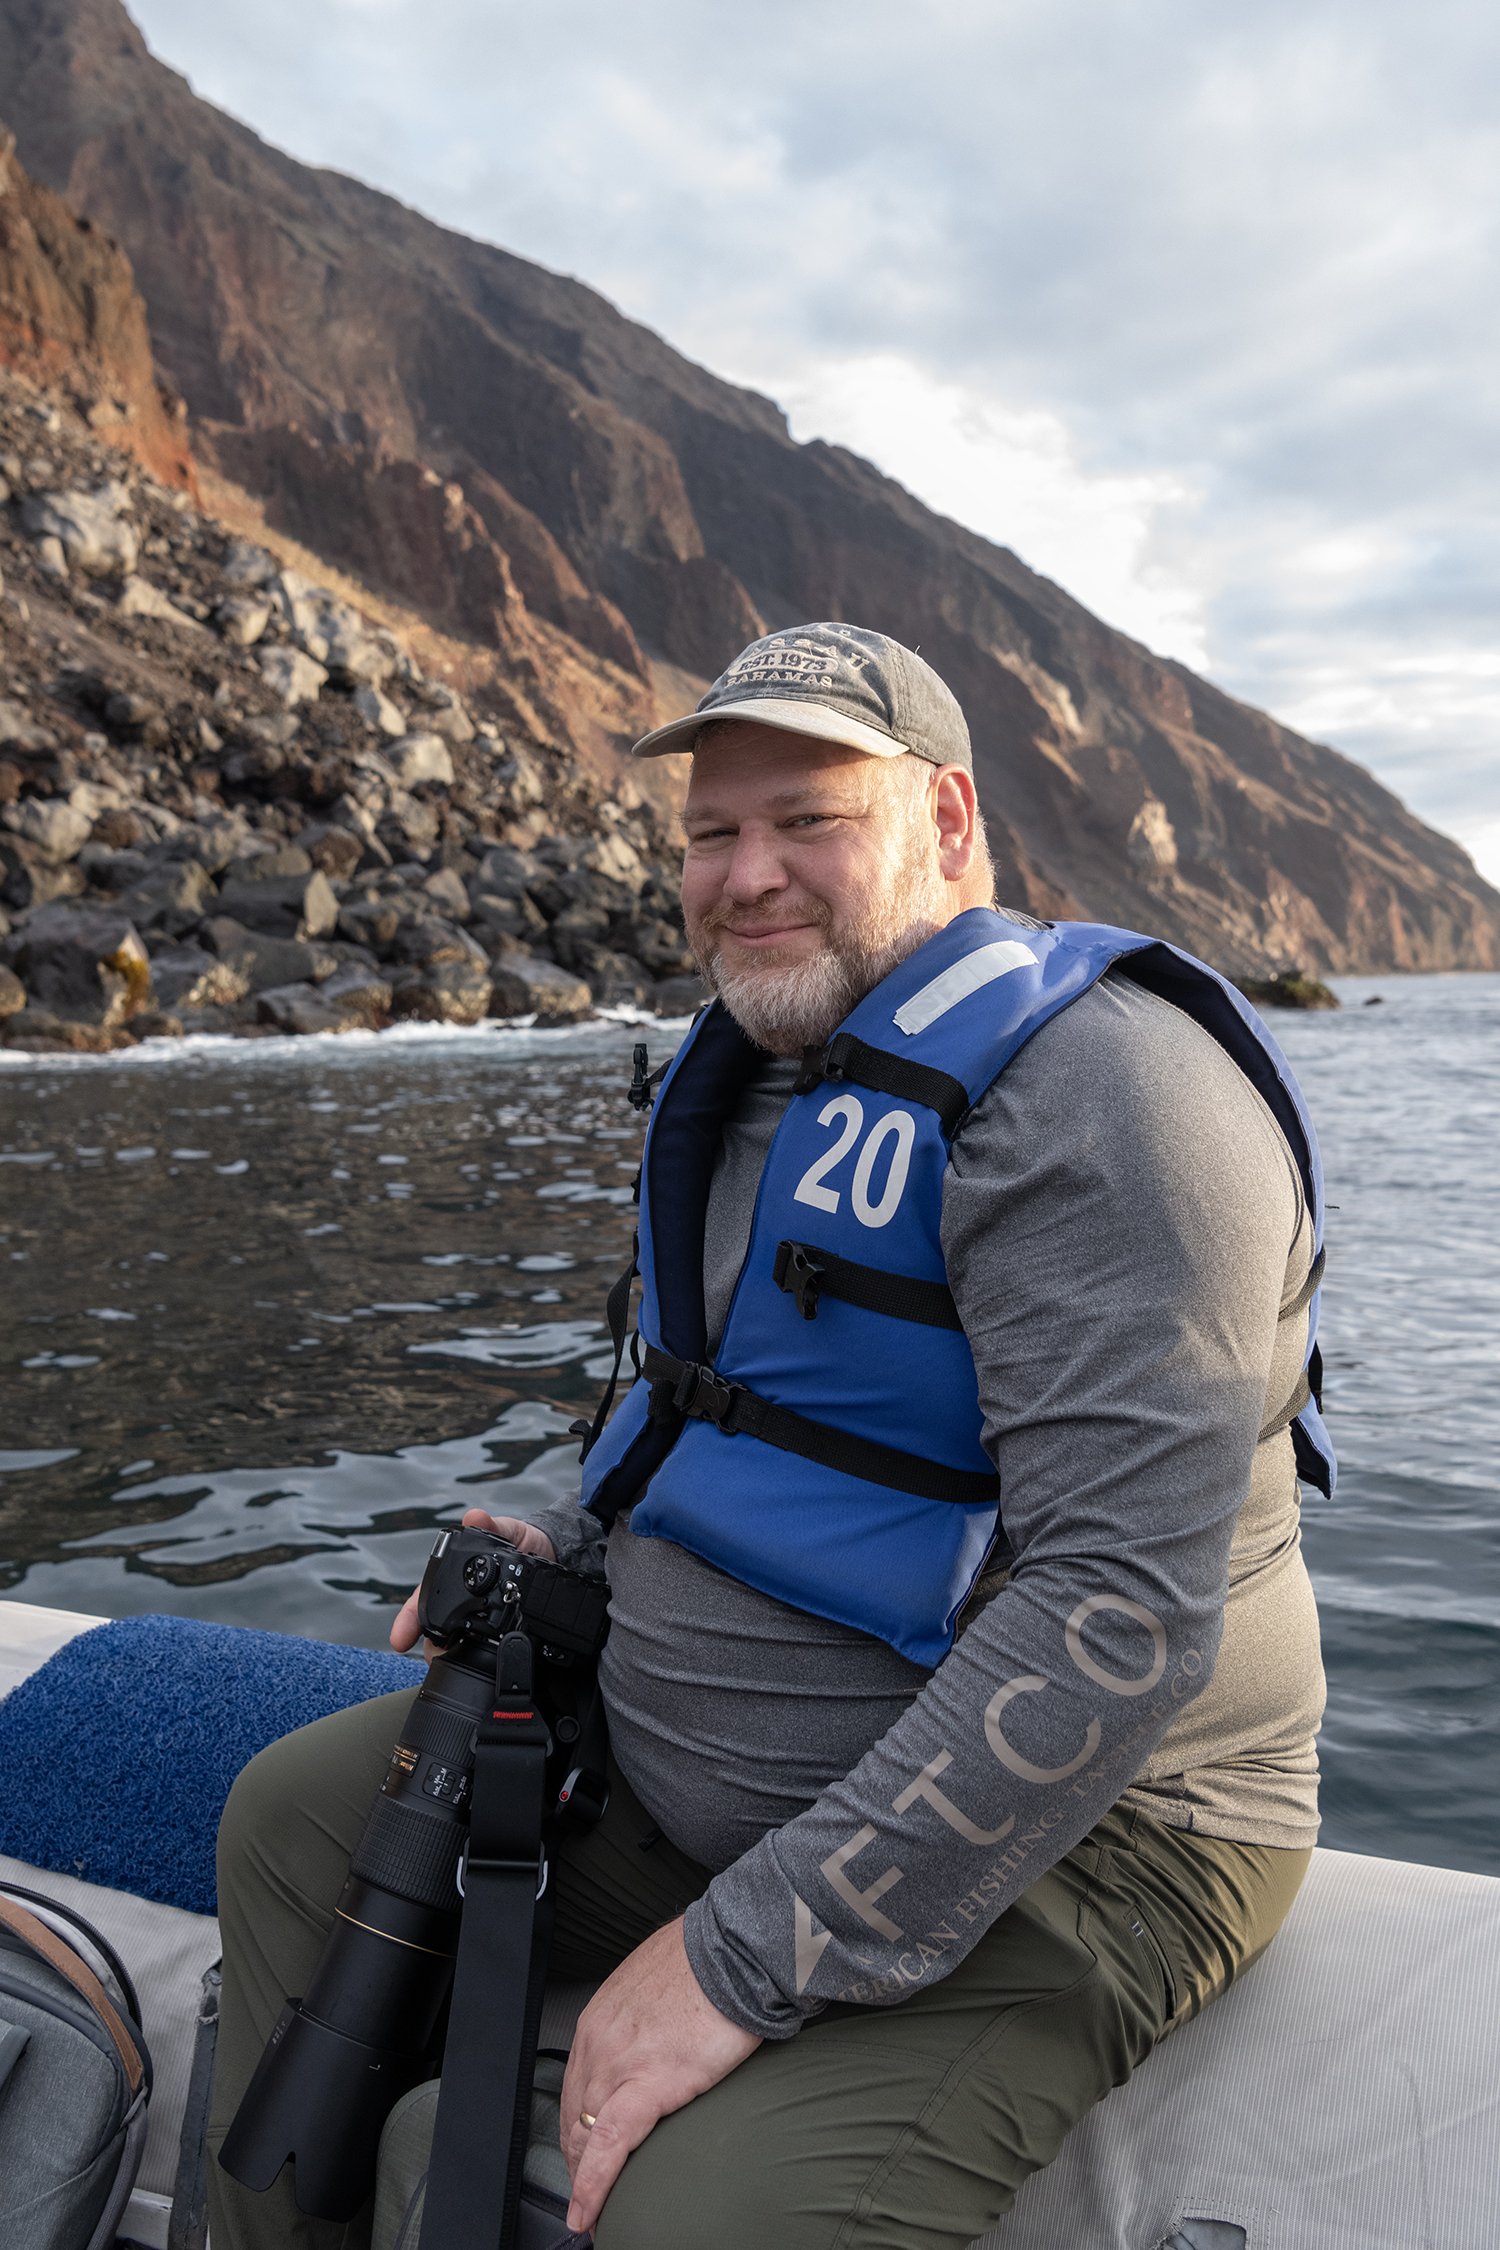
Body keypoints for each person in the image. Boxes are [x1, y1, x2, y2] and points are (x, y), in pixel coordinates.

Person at [207, 622, 1331, 2250]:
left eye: (808, 819)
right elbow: (719, 1429)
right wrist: (570, 1547)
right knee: (290, 1822)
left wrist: (741, 1954)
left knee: (679, 2220)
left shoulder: (1113, 1104)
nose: (746, 877)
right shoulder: (761, 1080)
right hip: (694, 1773)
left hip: (1095, 1842)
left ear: (947, 822)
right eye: (710, 833)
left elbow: (1119, 1620)